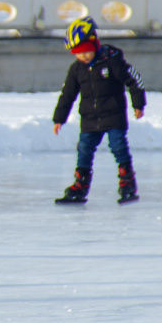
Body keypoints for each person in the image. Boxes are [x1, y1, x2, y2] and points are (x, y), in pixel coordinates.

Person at [52, 16, 146, 204]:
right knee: (84, 149)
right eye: (78, 53)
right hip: (90, 118)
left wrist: (138, 104)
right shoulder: (77, 69)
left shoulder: (112, 62)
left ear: (95, 43)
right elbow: (67, 94)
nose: (83, 56)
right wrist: (59, 118)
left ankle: (127, 183)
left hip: (113, 115)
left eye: (85, 51)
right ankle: (80, 186)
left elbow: (135, 81)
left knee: (118, 146)